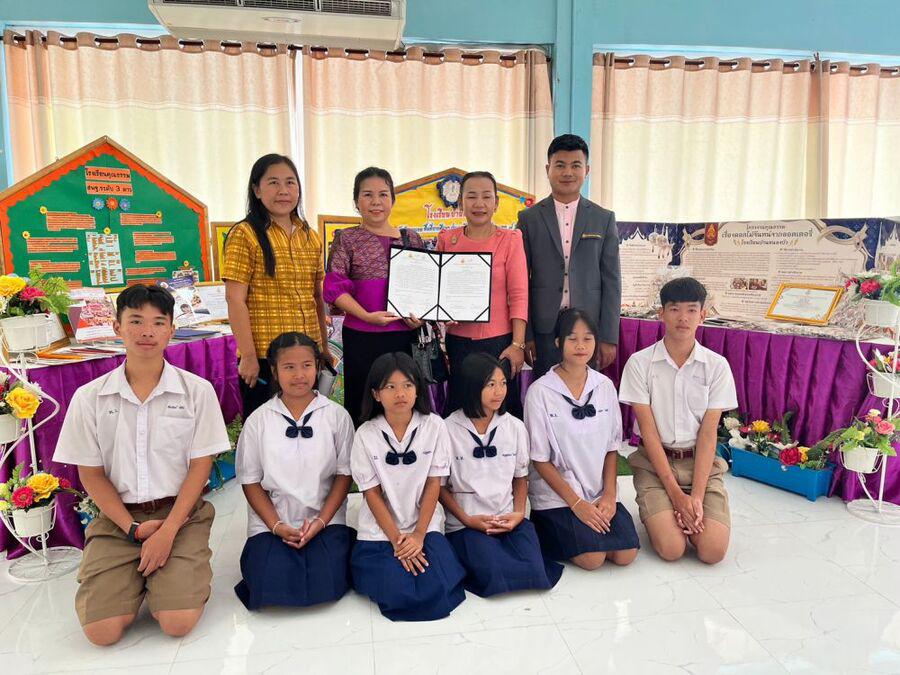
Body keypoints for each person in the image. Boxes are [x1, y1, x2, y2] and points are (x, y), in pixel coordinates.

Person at [53, 284, 230, 645]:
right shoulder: (90, 398)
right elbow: (91, 474)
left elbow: (200, 467)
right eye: (135, 321)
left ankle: (172, 576)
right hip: (118, 517)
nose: (147, 331)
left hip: (180, 514)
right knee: (101, 632)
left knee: (177, 622)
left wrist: (167, 532)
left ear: (172, 330)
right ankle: (139, 575)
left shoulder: (197, 391)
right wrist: (132, 529)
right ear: (117, 327)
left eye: (158, 322)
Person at [234, 332, 355, 610]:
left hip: (325, 520)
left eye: (307, 365)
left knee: (328, 578)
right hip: (272, 522)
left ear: (318, 367)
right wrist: (277, 526)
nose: (299, 375)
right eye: (289, 367)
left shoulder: (336, 416)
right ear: (274, 371)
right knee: (268, 579)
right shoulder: (259, 420)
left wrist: (321, 521)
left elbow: (344, 475)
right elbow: (250, 481)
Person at [619, 277, 736, 564]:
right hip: (654, 463)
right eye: (674, 309)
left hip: (701, 465)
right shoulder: (640, 363)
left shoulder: (717, 366)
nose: (683, 318)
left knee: (712, 552)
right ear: (661, 313)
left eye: (691, 310)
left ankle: (692, 511)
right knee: (672, 549)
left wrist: (695, 497)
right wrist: (675, 495)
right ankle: (662, 509)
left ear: (703, 315)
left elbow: (708, 434)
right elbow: (649, 433)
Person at [350, 352, 465, 621]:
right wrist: (398, 541)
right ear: (376, 394)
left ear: (418, 389)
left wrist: (419, 535)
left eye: (407, 385)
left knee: (437, 585)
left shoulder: (434, 426)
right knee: (396, 590)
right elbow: (371, 494)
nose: (400, 393)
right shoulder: (365, 434)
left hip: (423, 525)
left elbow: (434, 483)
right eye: (390, 386)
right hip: (381, 530)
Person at [525, 308, 639, 570]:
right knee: (593, 559)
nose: (580, 346)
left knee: (626, 554)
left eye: (587, 339)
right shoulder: (540, 392)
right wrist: (576, 503)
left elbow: (612, 448)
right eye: (572, 339)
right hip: (558, 496)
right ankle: (546, 529)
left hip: (598, 492)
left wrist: (609, 495)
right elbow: (540, 460)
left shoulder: (604, 386)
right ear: (558, 342)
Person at [441, 353, 562, 596]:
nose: (499, 391)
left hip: (507, 516)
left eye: (503, 383)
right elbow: (440, 487)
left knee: (535, 570)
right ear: (471, 386)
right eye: (490, 385)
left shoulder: (514, 427)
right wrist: (467, 519)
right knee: (493, 573)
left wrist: (518, 514)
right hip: (467, 522)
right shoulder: (447, 429)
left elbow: (520, 477)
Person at [223, 154, 332, 419]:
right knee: (266, 428)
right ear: (257, 190)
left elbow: (316, 297)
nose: (283, 191)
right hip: (265, 356)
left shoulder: (310, 236)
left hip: (306, 355)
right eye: (273, 182)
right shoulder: (245, 234)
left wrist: (323, 349)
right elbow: (235, 299)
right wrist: (248, 356)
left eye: (290, 182)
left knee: (308, 425)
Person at [324, 167, 423, 426]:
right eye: (368, 195)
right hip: (362, 337)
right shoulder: (347, 239)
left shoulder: (412, 239)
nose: (376, 201)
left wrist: (421, 319)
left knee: (404, 402)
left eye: (383, 194)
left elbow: (425, 286)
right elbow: (334, 288)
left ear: (393, 199)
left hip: (404, 336)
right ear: (356, 201)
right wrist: (366, 316)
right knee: (363, 403)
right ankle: (362, 451)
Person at [516, 134, 621, 378]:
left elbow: (612, 281)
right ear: (548, 169)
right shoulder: (529, 219)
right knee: (546, 388)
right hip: (543, 328)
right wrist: (526, 335)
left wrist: (608, 336)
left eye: (575, 165)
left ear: (587, 170)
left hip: (587, 328)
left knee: (583, 390)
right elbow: (520, 281)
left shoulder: (603, 218)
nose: (567, 172)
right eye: (560, 165)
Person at [437, 171, 528, 417]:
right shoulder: (447, 240)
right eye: (471, 196)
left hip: (499, 343)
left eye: (486, 197)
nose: (479, 204)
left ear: (496, 203)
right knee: (461, 408)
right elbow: (438, 291)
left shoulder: (510, 240)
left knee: (500, 408)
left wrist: (517, 344)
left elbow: (519, 295)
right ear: (460, 202)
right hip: (458, 343)